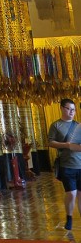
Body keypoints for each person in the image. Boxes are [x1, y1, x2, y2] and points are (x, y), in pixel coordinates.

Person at [49, 98, 81, 231]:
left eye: (73, 109)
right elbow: (51, 142)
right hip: (66, 165)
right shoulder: (56, 125)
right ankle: (69, 217)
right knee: (71, 193)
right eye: (68, 109)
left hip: (80, 164)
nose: (71, 112)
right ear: (62, 108)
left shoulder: (78, 125)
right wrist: (67, 145)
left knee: (80, 193)